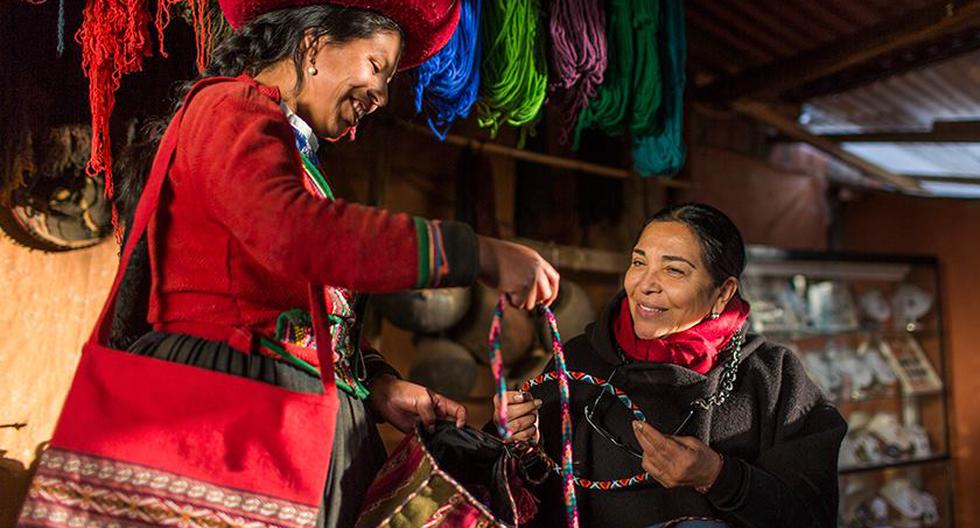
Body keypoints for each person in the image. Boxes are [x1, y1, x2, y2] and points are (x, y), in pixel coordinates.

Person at [109, 1, 560, 527]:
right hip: (230, 414)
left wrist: (377, 385)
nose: (382, 94)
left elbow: (302, 308)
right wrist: (472, 253)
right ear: (314, 44)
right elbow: (291, 233)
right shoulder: (228, 109)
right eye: (376, 65)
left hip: (295, 423)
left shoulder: (296, 159)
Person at [495, 203, 846, 528]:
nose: (646, 285)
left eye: (674, 270)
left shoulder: (774, 379)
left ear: (723, 292)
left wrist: (720, 478)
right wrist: (523, 447)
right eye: (638, 262)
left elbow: (812, 516)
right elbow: (531, 503)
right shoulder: (579, 361)